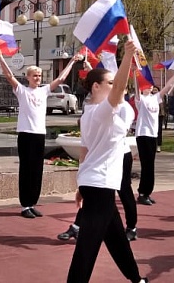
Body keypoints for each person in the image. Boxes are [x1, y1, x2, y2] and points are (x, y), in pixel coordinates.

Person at [66, 40, 147, 283]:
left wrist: (81, 185)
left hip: (97, 183)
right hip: (100, 185)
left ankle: (136, 279)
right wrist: (127, 57)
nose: (115, 87)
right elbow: (119, 93)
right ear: (95, 87)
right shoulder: (100, 112)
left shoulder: (95, 112)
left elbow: (86, 153)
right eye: (109, 83)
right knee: (87, 247)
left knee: (117, 240)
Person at [0, 50, 82, 218]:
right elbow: (8, 75)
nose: (37, 78)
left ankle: (32, 203)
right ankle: (24, 205)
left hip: (39, 134)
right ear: (28, 77)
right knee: (26, 169)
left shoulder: (44, 91)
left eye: (39, 76)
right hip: (26, 134)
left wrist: (72, 61)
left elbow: (61, 79)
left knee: (37, 170)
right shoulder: (21, 91)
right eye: (34, 76)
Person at [57, 99, 140, 243]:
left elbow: (120, 132)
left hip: (120, 155)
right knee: (94, 191)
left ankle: (131, 228)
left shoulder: (125, 108)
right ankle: (77, 226)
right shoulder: (102, 105)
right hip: (102, 155)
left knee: (124, 191)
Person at [134, 69, 174, 206]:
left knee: (150, 165)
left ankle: (147, 192)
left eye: (151, 85)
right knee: (147, 165)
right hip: (143, 134)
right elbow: (137, 87)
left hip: (152, 135)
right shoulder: (140, 99)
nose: (150, 87)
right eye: (146, 85)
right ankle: (143, 193)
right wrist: (134, 73)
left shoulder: (155, 98)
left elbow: (168, 86)